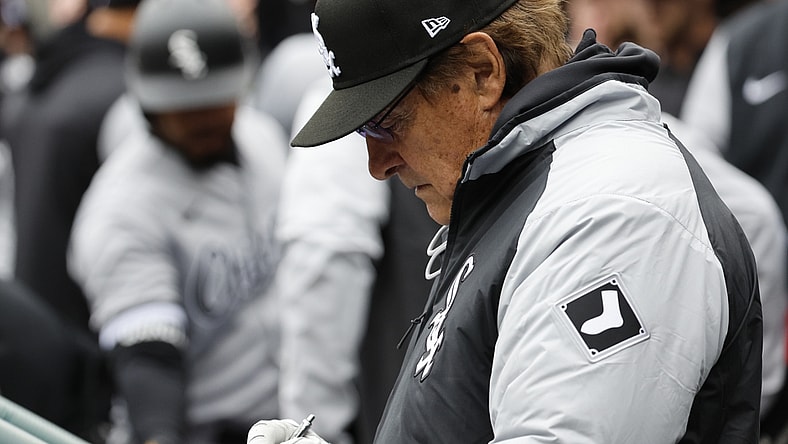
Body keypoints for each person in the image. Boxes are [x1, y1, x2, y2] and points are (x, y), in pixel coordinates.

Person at [248, 0, 762, 442]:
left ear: (481, 71)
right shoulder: (525, 185)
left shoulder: (609, 211)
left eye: (386, 123)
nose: (377, 166)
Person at [68, 0, 287, 442]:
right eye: (183, 106)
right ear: (146, 104)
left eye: (215, 99)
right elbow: (149, 357)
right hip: (205, 430)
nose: (204, 116)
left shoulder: (261, 138)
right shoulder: (120, 209)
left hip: (290, 412)